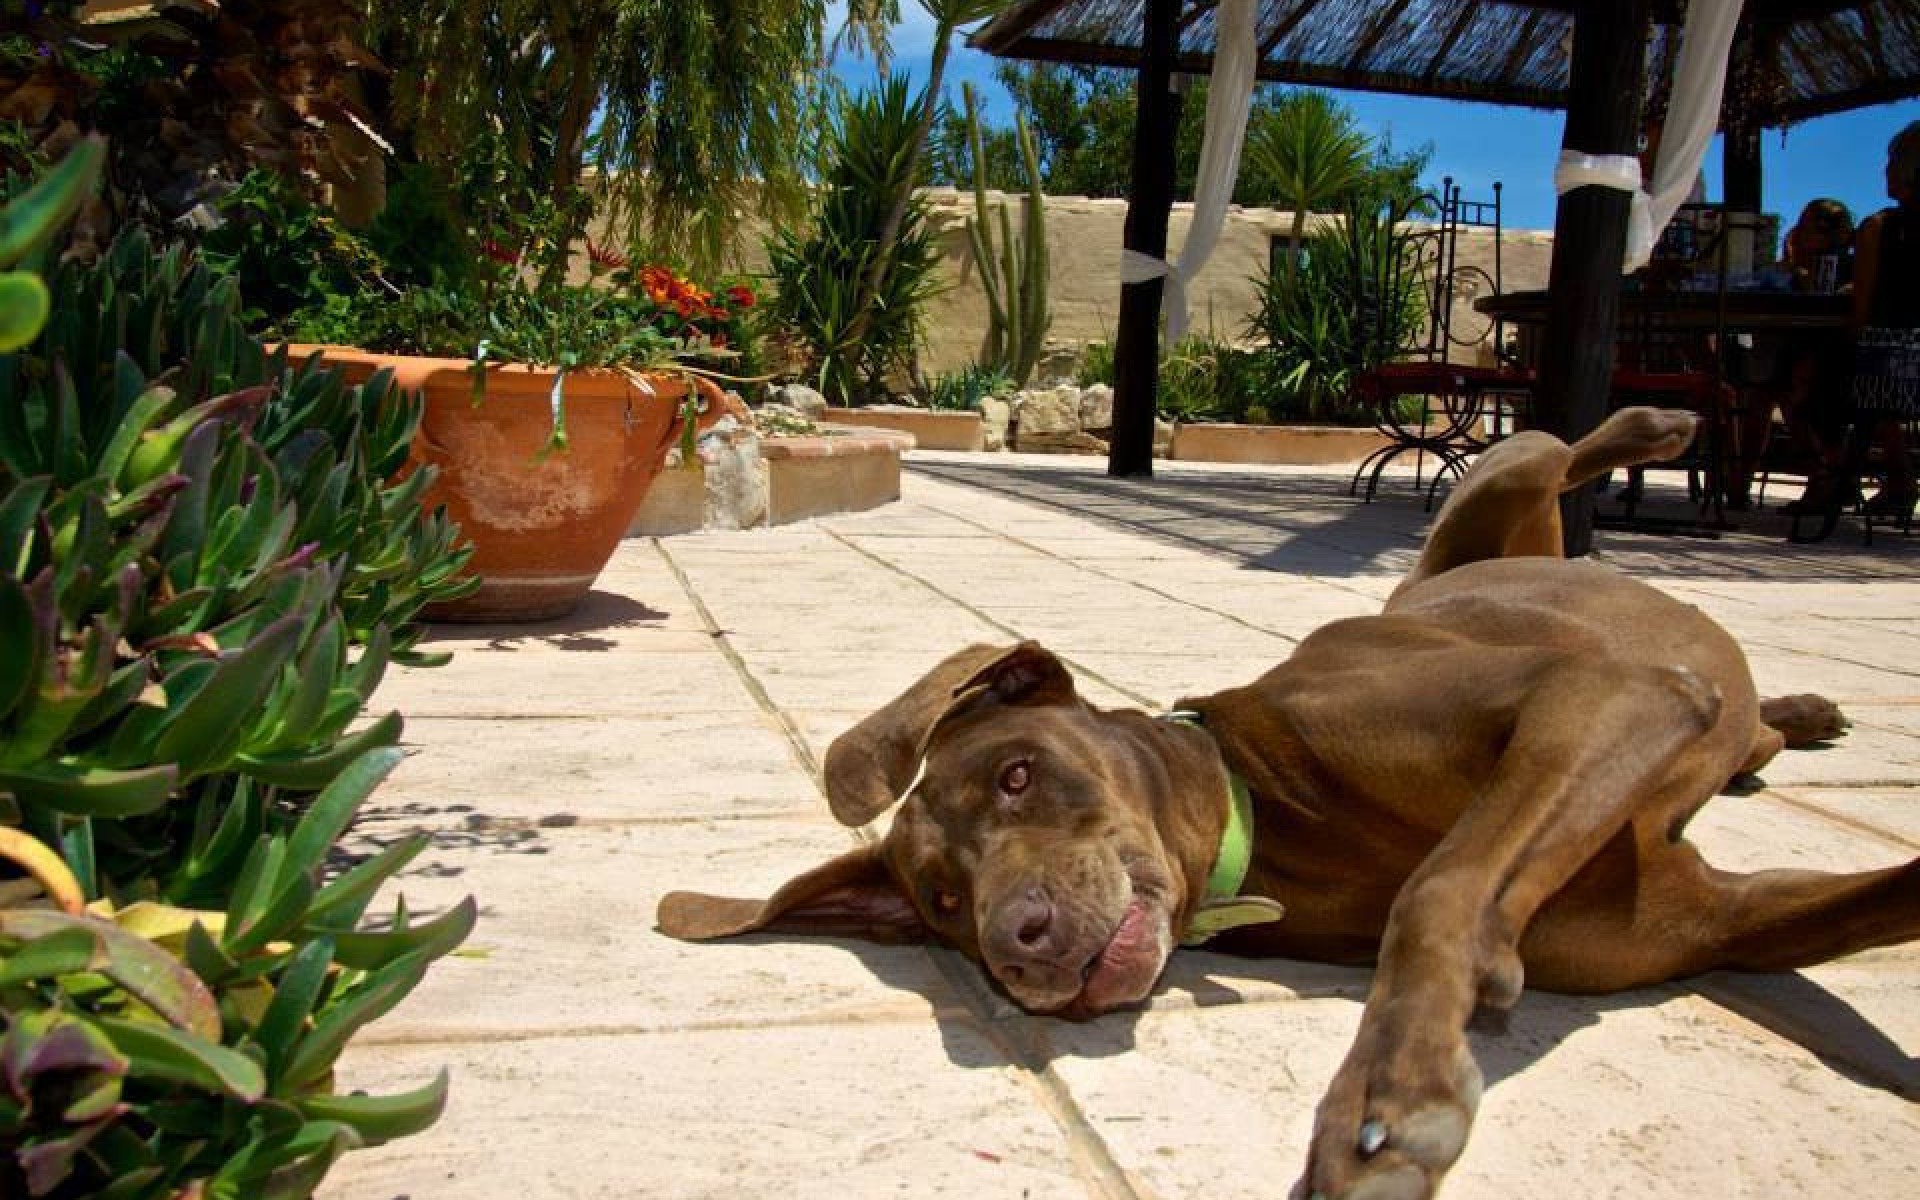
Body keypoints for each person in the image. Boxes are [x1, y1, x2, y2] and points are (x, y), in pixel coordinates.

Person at [1728, 199, 1854, 510]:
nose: (1797, 232)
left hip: (1836, 355)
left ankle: (1822, 476)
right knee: (1766, 389)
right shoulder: (1790, 270)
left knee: (1786, 390)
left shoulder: (1843, 267)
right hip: (1798, 349)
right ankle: (1743, 479)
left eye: (1808, 226)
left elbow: (1826, 303)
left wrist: (1799, 264)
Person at [1844, 121, 1920, 519]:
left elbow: (1862, 307)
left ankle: (1837, 475)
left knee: (1807, 374)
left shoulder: (1880, 228)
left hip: (1891, 372)